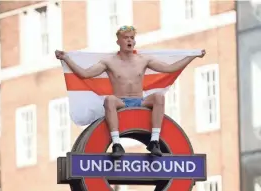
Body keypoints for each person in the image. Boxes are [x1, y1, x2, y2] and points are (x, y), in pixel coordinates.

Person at [55, 25, 205, 158]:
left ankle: (154, 142)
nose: (129, 41)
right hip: (121, 102)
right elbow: (85, 74)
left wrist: (192, 56)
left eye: (132, 38)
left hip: (140, 101)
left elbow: (169, 68)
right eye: (125, 38)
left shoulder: (143, 59)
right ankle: (117, 144)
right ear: (118, 42)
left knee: (159, 97)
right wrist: (66, 58)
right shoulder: (109, 61)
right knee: (109, 100)